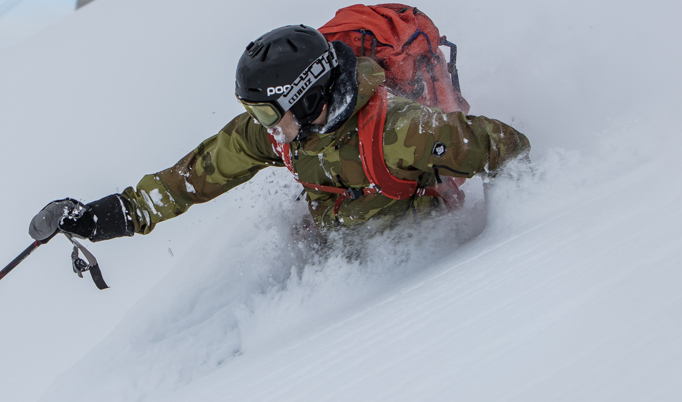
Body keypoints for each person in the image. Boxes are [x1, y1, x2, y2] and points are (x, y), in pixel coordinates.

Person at [39, 24, 530, 243]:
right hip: (341, 246)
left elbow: (505, 147)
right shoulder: (282, 134)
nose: (260, 125)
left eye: (267, 111)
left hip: (421, 272)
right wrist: (115, 215)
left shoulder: (399, 131)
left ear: (307, 96)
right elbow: (195, 175)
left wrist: (509, 238)